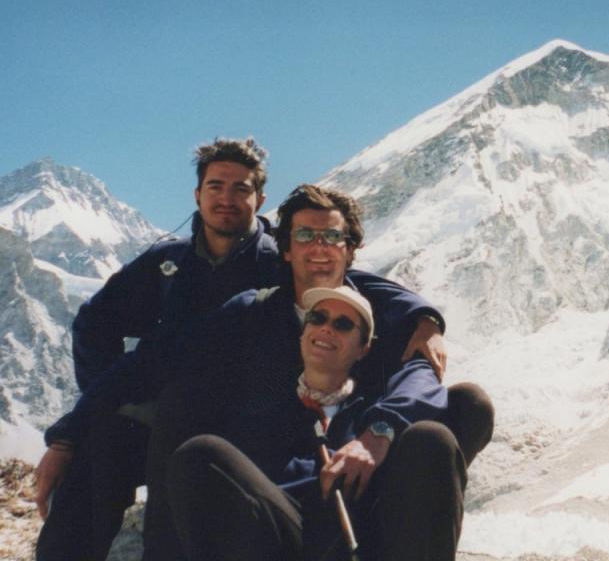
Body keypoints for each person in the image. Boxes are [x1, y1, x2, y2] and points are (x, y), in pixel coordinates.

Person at [33, 140, 449, 561]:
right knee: (103, 442)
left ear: (259, 200)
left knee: (450, 421)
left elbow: (351, 282)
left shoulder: (280, 263)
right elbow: (116, 337)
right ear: (197, 195)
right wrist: (74, 427)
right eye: (216, 186)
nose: (226, 199)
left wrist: (423, 317)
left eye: (240, 189)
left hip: (257, 420)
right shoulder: (172, 263)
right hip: (183, 408)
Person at [142, 185, 493, 560]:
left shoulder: (380, 314)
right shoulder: (250, 315)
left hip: (367, 496)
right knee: (191, 427)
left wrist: (379, 431)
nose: (320, 247)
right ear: (287, 249)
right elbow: (170, 364)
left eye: (332, 236)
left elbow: (421, 371)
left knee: (449, 421)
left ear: (349, 250)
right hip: (281, 507)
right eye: (306, 235)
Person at [167, 286, 456, 560]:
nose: (326, 328)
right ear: (303, 334)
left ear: (363, 349)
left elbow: (427, 384)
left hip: (367, 540)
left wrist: (378, 432)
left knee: (433, 437)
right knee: (202, 453)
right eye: (316, 318)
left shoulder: (373, 409)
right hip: (286, 535)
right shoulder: (261, 407)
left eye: (343, 325)